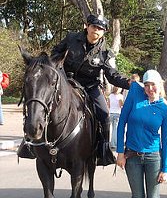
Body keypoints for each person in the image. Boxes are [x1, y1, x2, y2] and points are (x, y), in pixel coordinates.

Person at [17, 14, 130, 165]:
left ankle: (103, 150)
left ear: (104, 32)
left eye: (101, 28)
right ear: (87, 26)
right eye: (94, 26)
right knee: (39, 102)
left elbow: (113, 76)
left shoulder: (105, 54)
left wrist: (130, 83)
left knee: (104, 114)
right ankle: (29, 143)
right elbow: (54, 55)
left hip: (90, 86)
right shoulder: (71, 39)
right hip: (66, 81)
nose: (96, 30)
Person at [116, 70, 167, 198]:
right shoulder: (135, 95)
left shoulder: (165, 110)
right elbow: (121, 124)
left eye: (153, 84)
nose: (150, 88)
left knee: (153, 196)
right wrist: (120, 153)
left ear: (159, 85)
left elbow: (166, 140)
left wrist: (165, 169)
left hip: (153, 157)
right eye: (146, 85)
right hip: (132, 156)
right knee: (137, 196)